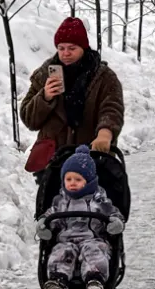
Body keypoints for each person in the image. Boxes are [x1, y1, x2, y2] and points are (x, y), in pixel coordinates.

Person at [21, 17, 125, 176]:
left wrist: (105, 133)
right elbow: (29, 119)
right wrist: (45, 97)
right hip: (53, 162)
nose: (65, 53)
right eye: (61, 48)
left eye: (72, 48)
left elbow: (111, 109)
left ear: (83, 47)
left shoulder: (104, 77)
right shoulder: (45, 74)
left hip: (91, 159)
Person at [40, 145, 125, 289]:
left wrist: (115, 221)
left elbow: (112, 213)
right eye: (68, 179)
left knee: (94, 252)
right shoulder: (60, 201)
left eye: (78, 180)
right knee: (60, 253)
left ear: (89, 181)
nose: (72, 183)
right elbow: (50, 216)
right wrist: (44, 224)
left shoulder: (99, 200)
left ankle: (95, 282)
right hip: (67, 241)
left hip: (92, 239)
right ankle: (58, 282)